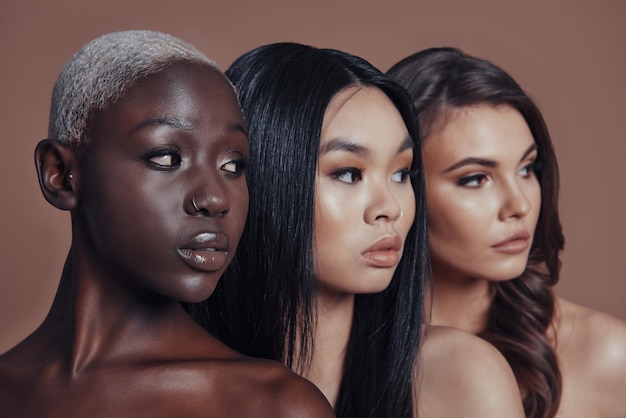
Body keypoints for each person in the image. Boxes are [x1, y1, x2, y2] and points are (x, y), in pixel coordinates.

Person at [0, 30, 334, 417]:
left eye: (233, 165)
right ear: (60, 174)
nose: (214, 199)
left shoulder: (273, 406)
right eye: (165, 158)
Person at [187, 42, 525, 418]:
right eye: (348, 173)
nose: (391, 207)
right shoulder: (170, 388)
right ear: (262, 178)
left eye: (401, 173)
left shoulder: (462, 378)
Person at [387, 47, 626, 418]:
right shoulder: (333, 356)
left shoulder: (605, 355)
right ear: (402, 185)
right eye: (475, 179)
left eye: (527, 169)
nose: (520, 205)